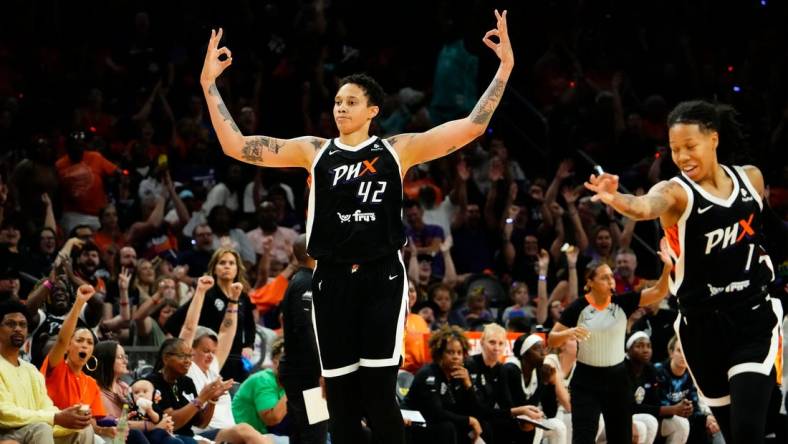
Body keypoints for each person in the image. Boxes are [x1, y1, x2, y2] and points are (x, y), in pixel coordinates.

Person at [200, 9, 513, 443]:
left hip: (381, 275)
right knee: (342, 399)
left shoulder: (395, 149)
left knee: (379, 393)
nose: (340, 107)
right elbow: (237, 146)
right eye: (337, 101)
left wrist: (504, 68)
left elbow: (471, 127)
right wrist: (209, 85)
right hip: (330, 278)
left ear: (373, 110)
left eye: (350, 101)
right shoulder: (314, 150)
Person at [584, 99, 781, 443]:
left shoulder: (751, 178)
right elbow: (644, 206)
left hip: (753, 319)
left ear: (714, 140)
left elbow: (773, 231)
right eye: (675, 149)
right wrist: (616, 198)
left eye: (691, 146)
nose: (682, 157)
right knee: (735, 434)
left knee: (750, 431)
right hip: (701, 329)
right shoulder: (676, 193)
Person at [547, 243, 673, 444]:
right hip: (586, 381)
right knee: (583, 437)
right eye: (604, 277)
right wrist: (569, 332)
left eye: (611, 277)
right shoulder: (578, 307)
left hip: (617, 379)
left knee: (621, 437)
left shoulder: (622, 303)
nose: (610, 280)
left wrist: (667, 268)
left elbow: (658, 292)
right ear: (590, 282)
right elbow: (552, 338)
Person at [177, 276, 269, 442]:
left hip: (228, 432)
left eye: (213, 351)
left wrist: (233, 300)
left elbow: (227, 332)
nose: (211, 355)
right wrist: (200, 292)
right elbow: (189, 328)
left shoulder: (213, 367)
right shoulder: (188, 368)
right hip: (203, 433)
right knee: (245, 431)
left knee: (269, 438)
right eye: (205, 351)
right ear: (190, 351)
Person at [0, 301, 94, 444]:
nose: (18, 329)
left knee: (83, 429)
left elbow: (46, 406)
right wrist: (55, 417)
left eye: (22, 325)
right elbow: (4, 413)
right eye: (11, 324)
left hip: (37, 429)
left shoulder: (31, 370)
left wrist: (70, 419)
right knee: (42, 428)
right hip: (7, 433)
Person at [164, 248, 256, 382]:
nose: (227, 266)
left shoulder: (241, 296)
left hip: (235, 359)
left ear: (237, 269)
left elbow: (250, 325)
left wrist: (248, 345)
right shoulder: (207, 294)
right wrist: (187, 345)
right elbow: (173, 323)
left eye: (231, 263)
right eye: (222, 263)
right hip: (209, 359)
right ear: (214, 268)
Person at [41, 285, 115, 442]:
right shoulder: (56, 368)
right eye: (79, 340)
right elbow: (61, 340)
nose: (84, 346)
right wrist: (79, 303)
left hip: (79, 435)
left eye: (89, 343)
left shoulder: (91, 383)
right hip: (49, 433)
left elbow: (93, 423)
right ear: (68, 346)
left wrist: (106, 429)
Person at [278, 234, 328, 443]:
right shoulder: (304, 282)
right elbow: (306, 330)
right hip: (306, 375)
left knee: (303, 433)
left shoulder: (304, 280)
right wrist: (320, 371)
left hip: (302, 372)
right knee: (314, 434)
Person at [403, 325, 490, 444]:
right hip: (417, 424)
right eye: (450, 352)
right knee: (448, 427)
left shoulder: (460, 375)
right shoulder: (428, 374)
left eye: (459, 353)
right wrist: (469, 420)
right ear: (439, 354)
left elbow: (476, 410)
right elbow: (436, 412)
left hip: (442, 424)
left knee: (484, 424)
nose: (455, 357)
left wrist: (468, 386)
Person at [146, 338, 236, 444]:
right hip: (168, 438)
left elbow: (201, 423)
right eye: (182, 356)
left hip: (190, 437)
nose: (188, 361)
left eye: (189, 356)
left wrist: (212, 399)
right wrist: (201, 398)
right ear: (166, 358)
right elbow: (172, 423)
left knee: (242, 432)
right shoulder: (153, 382)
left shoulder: (186, 382)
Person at [87, 340, 178, 444]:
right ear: (107, 360)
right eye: (120, 357)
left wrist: (159, 415)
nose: (125, 361)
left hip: (142, 434)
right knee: (136, 434)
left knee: (174, 441)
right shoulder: (96, 389)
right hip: (116, 438)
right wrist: (155, 426)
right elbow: (112, 423)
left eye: (125, 357)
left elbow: (140, 413)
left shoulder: (124, 387)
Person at [231, 337, 288, 440]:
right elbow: (272, 419)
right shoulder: (264, 380)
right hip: (244, 437)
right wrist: (293, 387)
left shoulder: (284, 382)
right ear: (275, 362)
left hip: (267, 435)